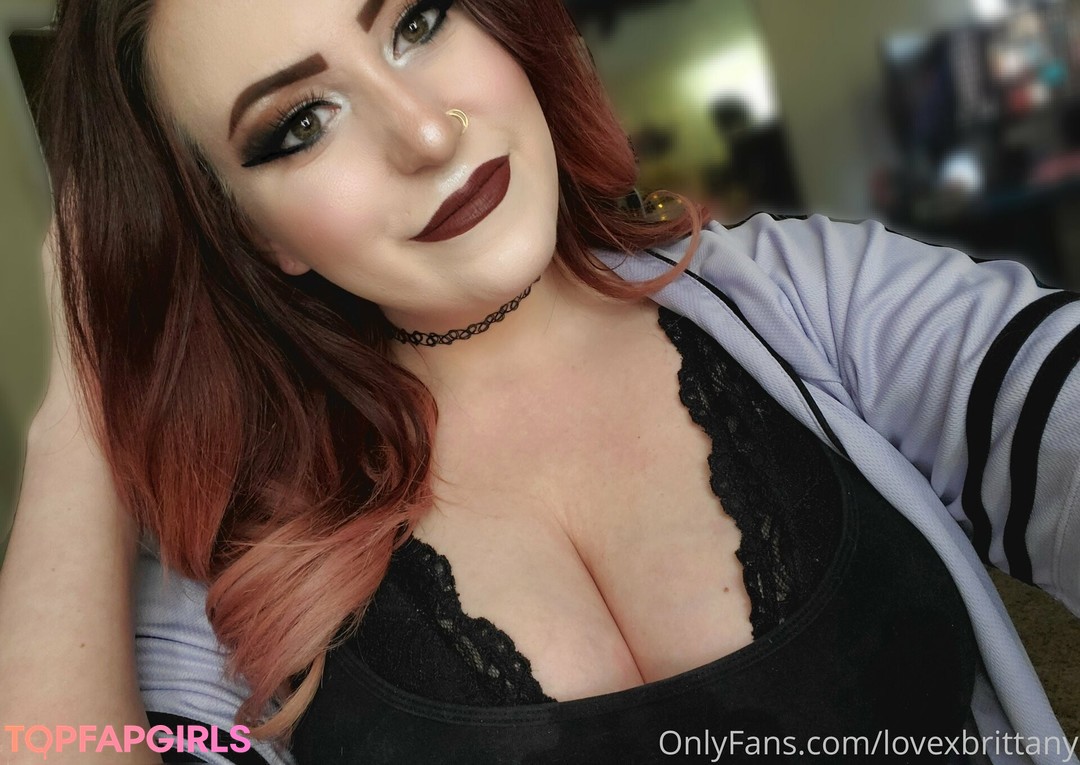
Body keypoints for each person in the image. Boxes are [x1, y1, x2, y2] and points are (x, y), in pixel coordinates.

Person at [1, 0, 1078, 763]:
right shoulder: (226, 563)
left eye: (416, 22)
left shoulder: (812, 303)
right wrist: (81, 403)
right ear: (249, 234)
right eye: (300, 125)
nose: (427, 134)